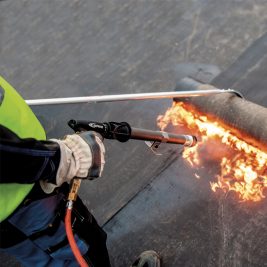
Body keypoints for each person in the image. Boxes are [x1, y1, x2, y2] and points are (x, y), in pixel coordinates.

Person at [0, 75, 161, 267]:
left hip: (13, 203)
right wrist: (61, 159)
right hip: (22, 196)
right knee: (81, 252)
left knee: (41, 259)